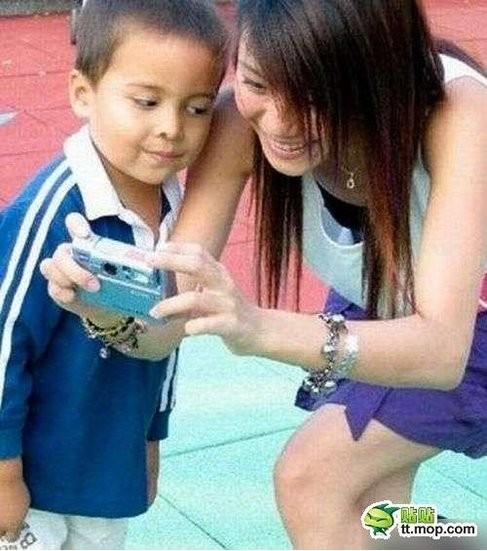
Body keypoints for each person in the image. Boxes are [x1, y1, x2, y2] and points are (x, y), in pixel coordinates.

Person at [42, 0, 487, 549]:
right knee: (378, 512)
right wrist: (106, 309)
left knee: (313, 480)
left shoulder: (458, 114)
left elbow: (441, 352)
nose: (279, 123)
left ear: (373, 77)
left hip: (464, 319)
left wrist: (254, 326)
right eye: (256, 82)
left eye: (314, 97)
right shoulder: (240, 122)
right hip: (382, 299)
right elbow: (168, 315)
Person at [0, 0, 227, 548]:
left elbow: (169, 339)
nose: (171, 128)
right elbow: (4, 344)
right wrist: (3, 474)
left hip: (103, 470)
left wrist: (151, 437)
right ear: (84, 93)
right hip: (33, 472)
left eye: (197, 108)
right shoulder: (55, 211)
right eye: (146, 102)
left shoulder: (178, 210)